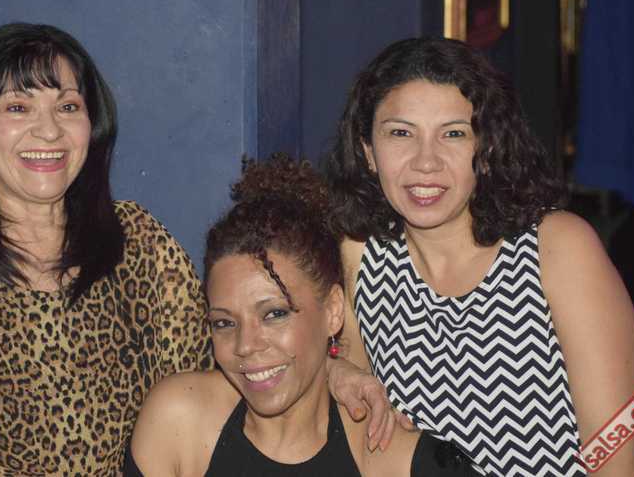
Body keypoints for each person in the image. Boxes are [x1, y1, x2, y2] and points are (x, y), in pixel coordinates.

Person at [0, 23, 214, 475]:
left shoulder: (139, 241)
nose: (49, 130)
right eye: (18, 107)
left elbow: (201, 394)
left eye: (68, 106)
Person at [325, 37, 634, 476]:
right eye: (401, 133)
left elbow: (616, 441)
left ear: (486, 150)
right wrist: (336, 372)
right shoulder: (361, 255)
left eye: (453, 133)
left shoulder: (555, 247)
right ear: (368, 151)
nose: (426, 162)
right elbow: (352, 384)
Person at [129, 154, 478, 476]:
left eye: (274, 314)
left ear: (333, 311)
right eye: (224, 323)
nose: (245, 345)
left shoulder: (392, 460)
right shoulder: (178, 423)